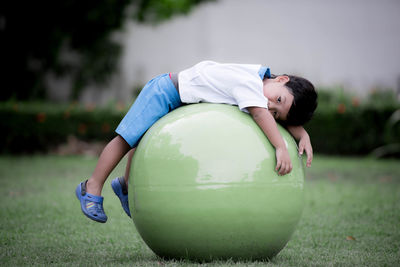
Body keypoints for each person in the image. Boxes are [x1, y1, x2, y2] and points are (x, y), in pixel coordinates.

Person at [75, 60, 318, 223]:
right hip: (164, 92)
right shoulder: (250, 84)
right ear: (282, 79)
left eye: (277, 112)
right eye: (277, 99)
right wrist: (279, 146)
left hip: (182, 100)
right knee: (126, 140)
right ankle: (92, 187)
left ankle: (125, 187)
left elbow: (273, 110)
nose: (270, 106)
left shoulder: (259, 82)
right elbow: (259, 113)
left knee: (141, 142)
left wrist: (302, 133)